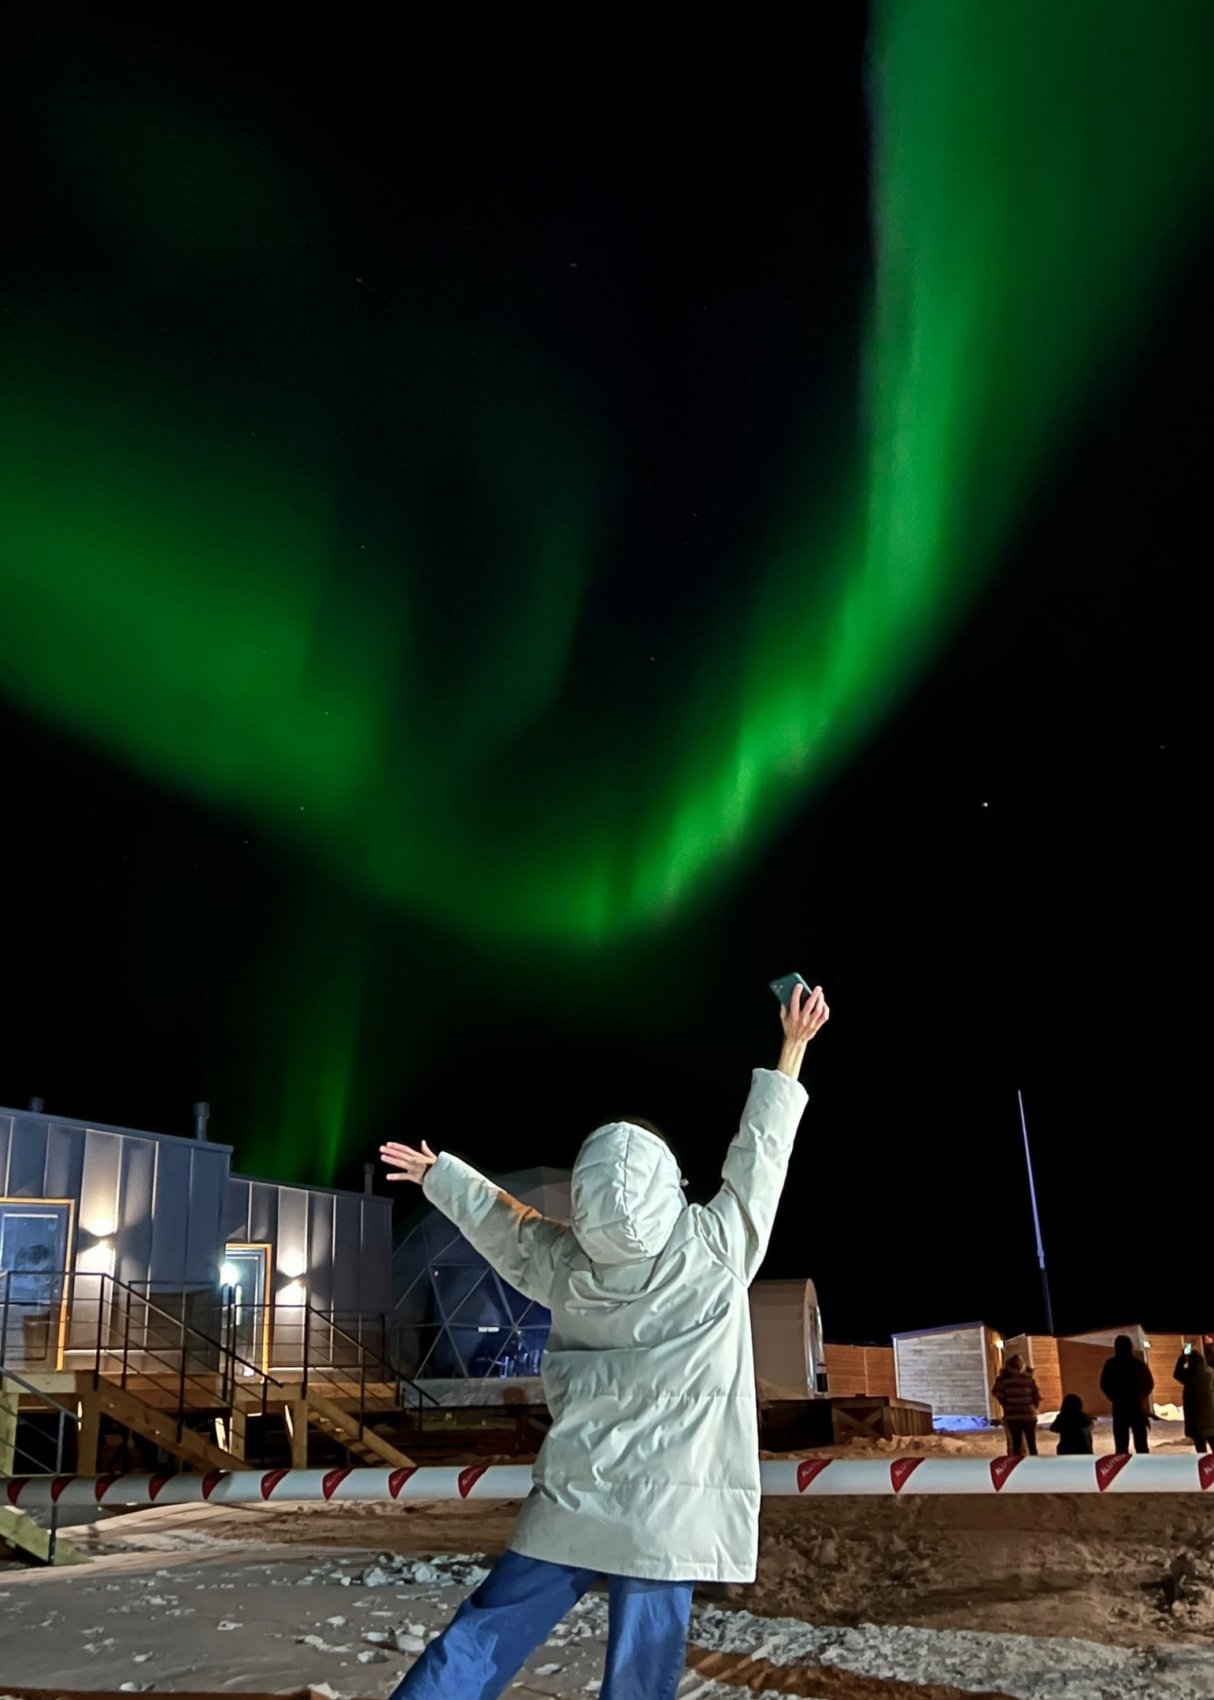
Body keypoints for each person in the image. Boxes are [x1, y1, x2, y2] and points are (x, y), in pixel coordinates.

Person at [377, 981, 830, 1700]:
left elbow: (508, 1226)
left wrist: (441, 1175)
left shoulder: (567, 1264)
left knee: (485, 1634)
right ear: (667, 1184)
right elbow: (761, 1152)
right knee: (640, 1681)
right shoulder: (716, 1251)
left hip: (577, 1494)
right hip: (669, 1515)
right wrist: (793, 1046)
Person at [1099, 1334, 1154, 1455]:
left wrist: (1114, 1397)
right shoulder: (1138, 1364)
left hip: (1120, 1407)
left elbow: (1104, 1384)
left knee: (1121, 1445)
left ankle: (1122, 1468)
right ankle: (1145, 1467)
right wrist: (1141, 1396)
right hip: (1136, 1406)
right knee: (1141, 1444)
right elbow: (1149, 1384)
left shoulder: (1111, 1364)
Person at [991, 1353, 1042, 1456]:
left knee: (1016, 1443)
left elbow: (997, 1393)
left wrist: (1006, 1403)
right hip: (1029, 1415)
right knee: (1032, 1443)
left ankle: (1017, 1465)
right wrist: (1033, 1407)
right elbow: (1036, 1396)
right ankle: (1036, 1465)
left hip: (1012, 1415)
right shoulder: (1029, 1379)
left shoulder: (1003, 1380)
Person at [1173, 1344, 1214, 1454]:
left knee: (1200, 1449)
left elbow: (1176, 1374)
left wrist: (1182, 1358)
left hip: (1195, 1418)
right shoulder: (1210, 1372)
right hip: (1211, 1416)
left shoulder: (1189, 1374)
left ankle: (1204, 1468)